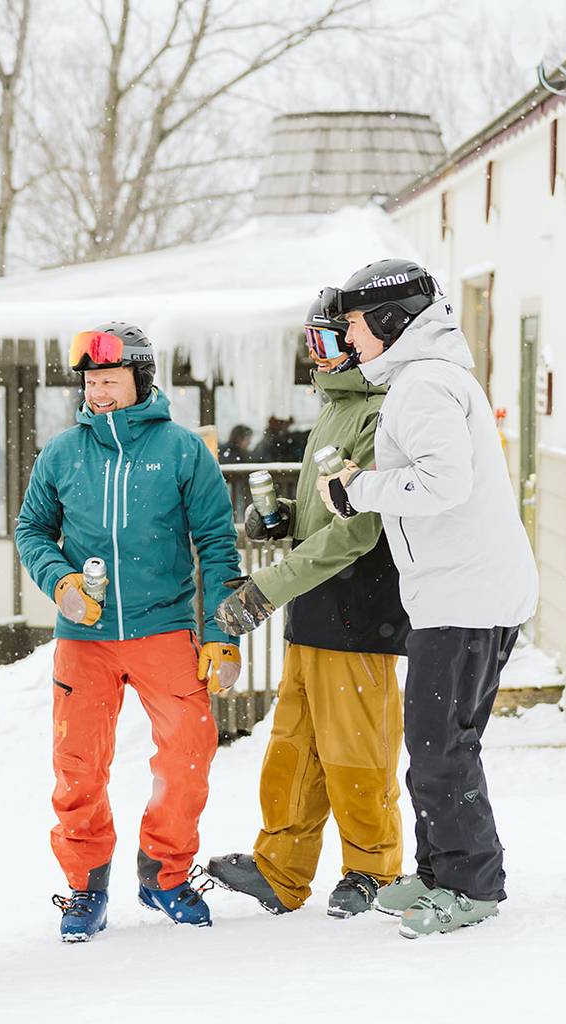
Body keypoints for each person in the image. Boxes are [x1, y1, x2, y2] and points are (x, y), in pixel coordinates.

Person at [314, 259, 538, 940]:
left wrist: (361, 490)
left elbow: (445, 485)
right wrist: (374, 481)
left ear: (390, 320)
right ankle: (441, 869)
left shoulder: (424, 386)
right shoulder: (425, 380)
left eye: (353, 326)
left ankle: (472, 883)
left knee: (443, 749)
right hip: (461, 593)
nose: (348, 341)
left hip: (466, 598)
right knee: (437, 745)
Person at [14, 322, 242, 941]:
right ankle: (85, 887)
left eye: (110, 379)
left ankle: (165, 874)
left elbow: (218, 544)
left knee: (189, 754)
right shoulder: (63, 453)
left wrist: (222, 632)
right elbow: (31, 529)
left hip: (163, 627)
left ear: (140, 379)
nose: (99, 392)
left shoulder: (181, 450)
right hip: (82, 637)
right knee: (78, 767)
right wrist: (59, 580)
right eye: (90, 382)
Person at [206, 296, 411, 918]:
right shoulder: (337, 410)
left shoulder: (383, 413)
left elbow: (357, 531)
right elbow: (326, 516)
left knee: (357, 749)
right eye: (311, 346)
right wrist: (280, 520)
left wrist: (266, 589)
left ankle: (372, 868)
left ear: (357, 343)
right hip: (312, 609)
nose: (315, 359)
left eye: (326, 343)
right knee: (294, 746)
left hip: (360, 607)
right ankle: (281, 869)